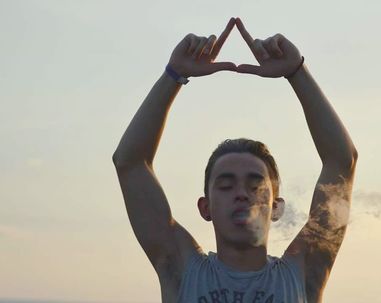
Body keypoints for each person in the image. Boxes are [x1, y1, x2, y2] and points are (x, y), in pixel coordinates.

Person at [112, 17, 358, 303]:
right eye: (226, 185)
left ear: (276, 207)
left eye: (255, 186)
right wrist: (174, 74)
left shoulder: (302, 272)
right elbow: (130, 162)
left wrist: (297, 72)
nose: (241, 194)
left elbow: (342, 161)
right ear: (206, 207)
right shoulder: (181, 270)